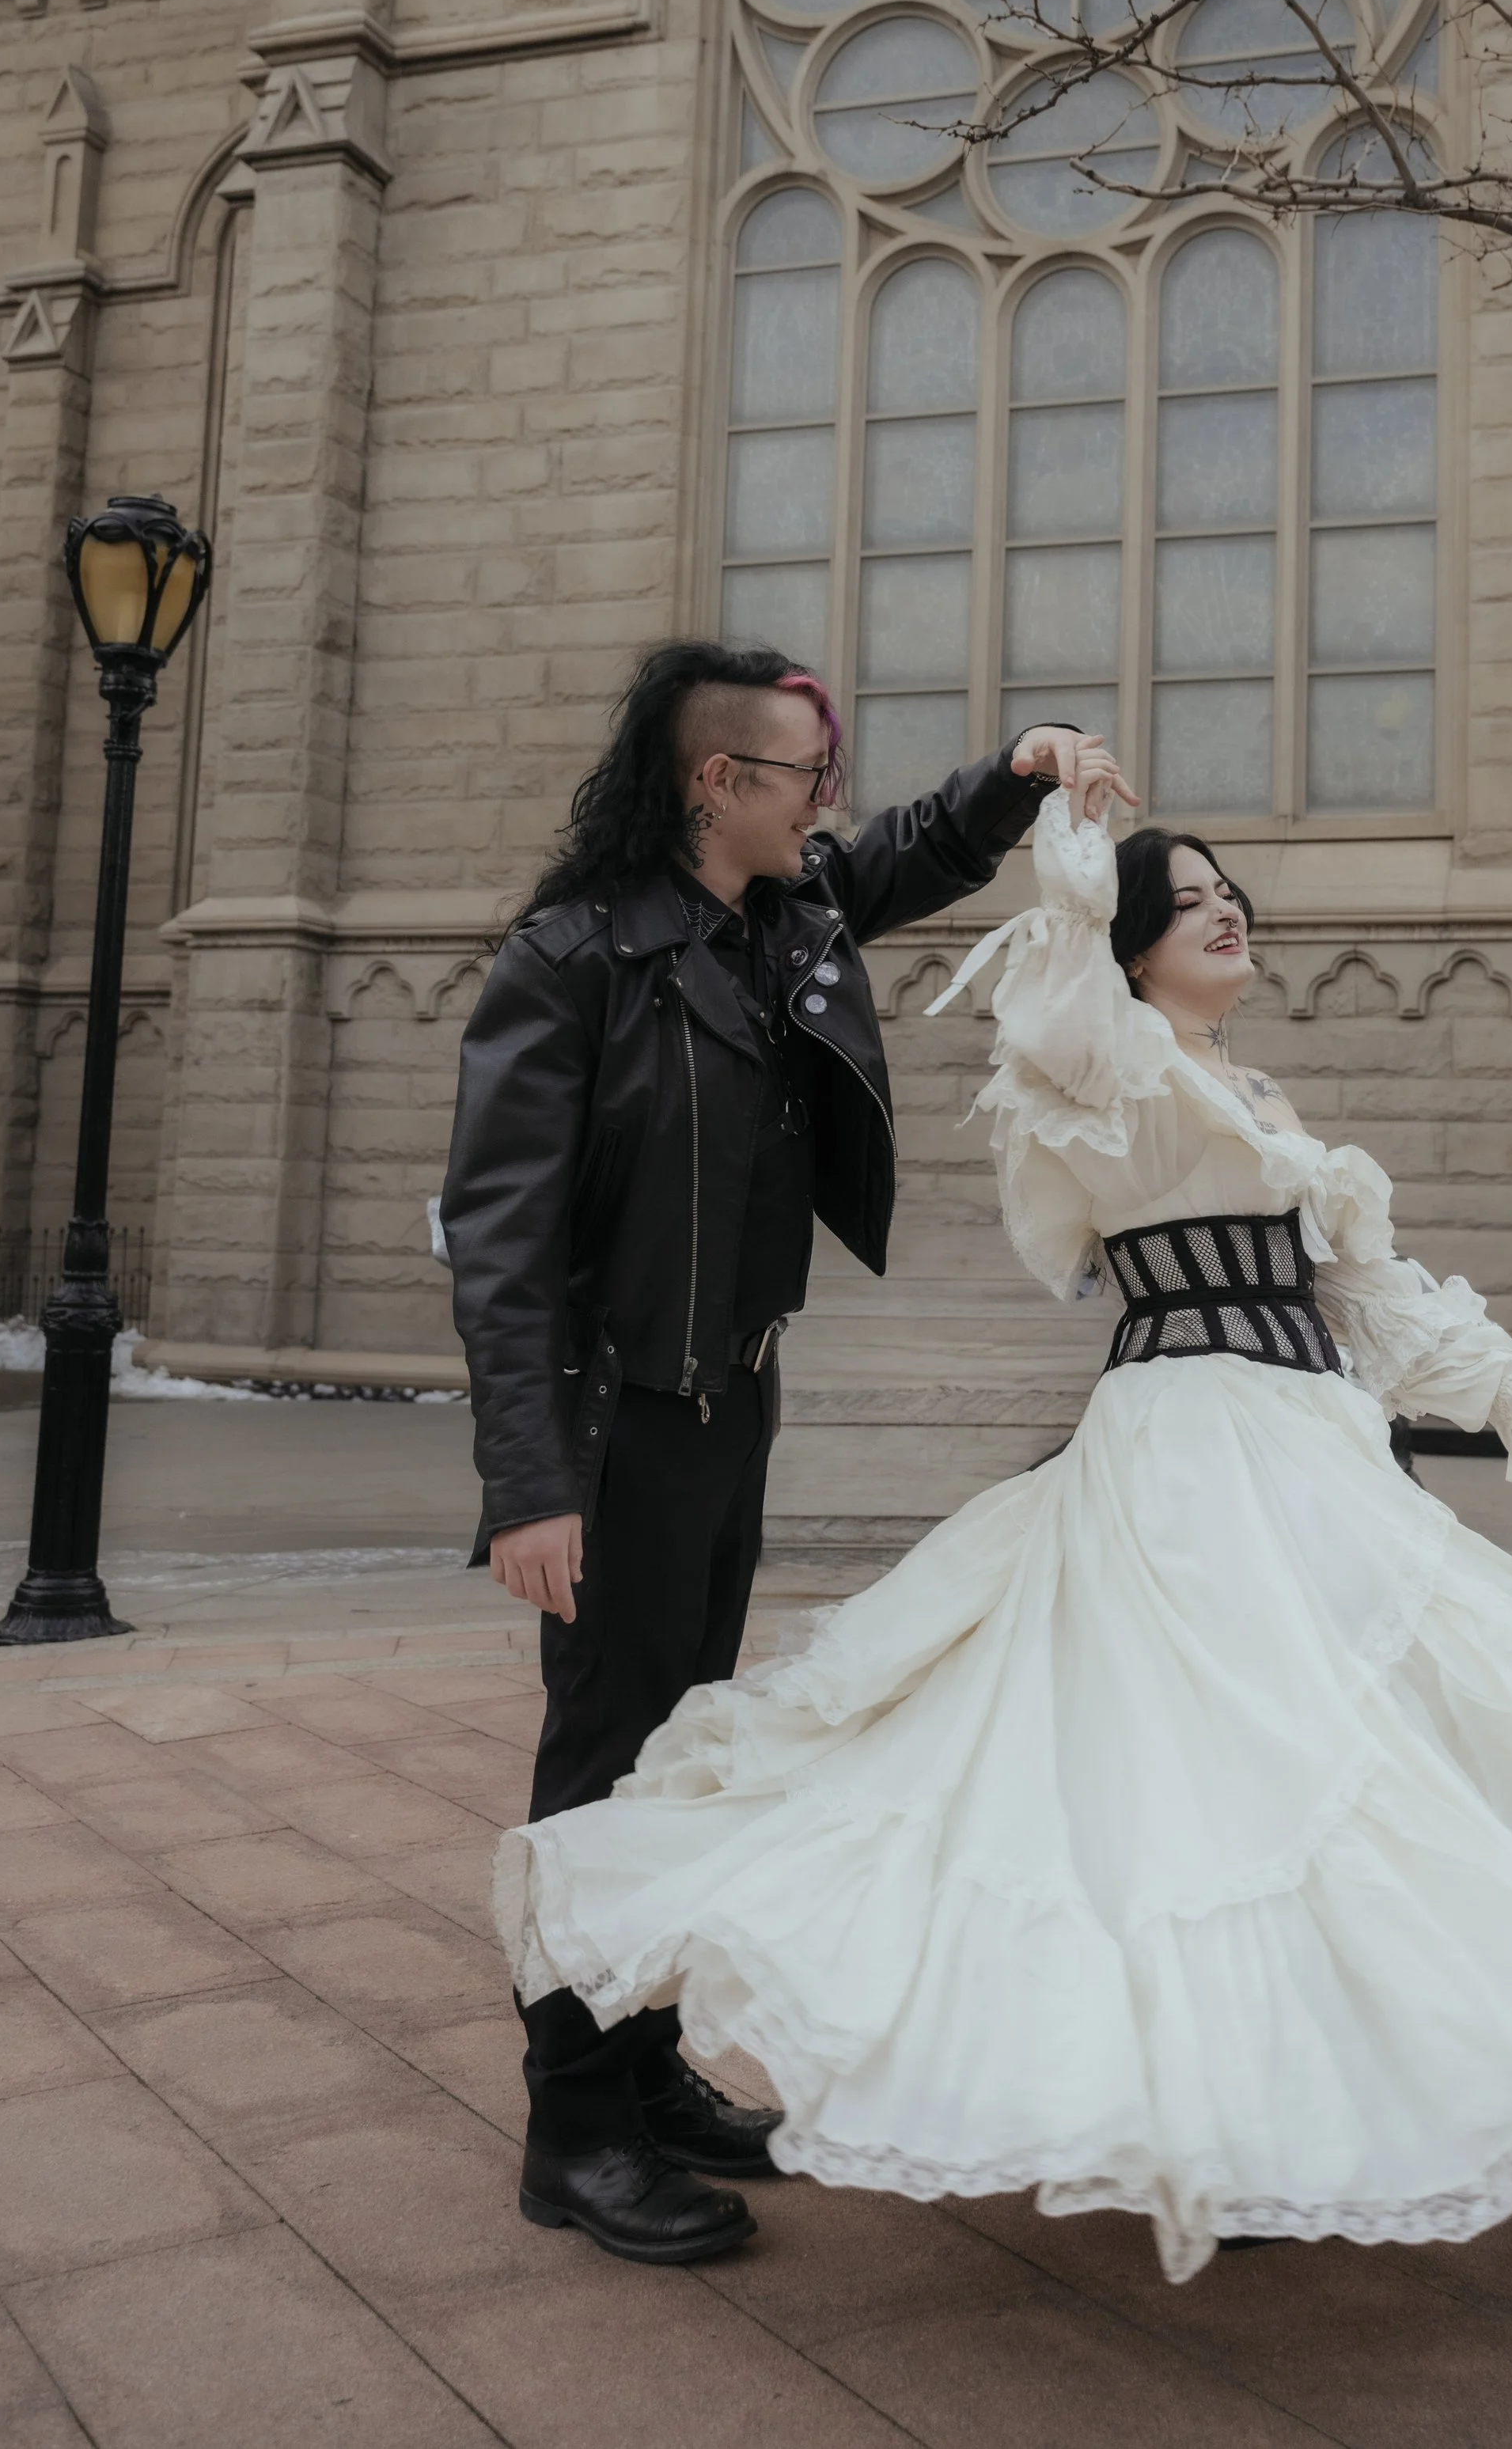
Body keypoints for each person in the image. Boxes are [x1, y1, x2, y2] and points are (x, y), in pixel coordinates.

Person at [494, 771, 1512, 2284]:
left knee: (1336, 1766)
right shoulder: (1107, 1066)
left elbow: (1367, 1298)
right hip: (1189, 1456)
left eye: (1233, 893)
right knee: (1214, 1775)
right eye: (1190, 898)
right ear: (1130, 945)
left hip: (1313, 1447)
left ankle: (1274, 2100)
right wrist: (1071, 852)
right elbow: (1057, 1010)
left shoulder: (1261, 1101)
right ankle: (616, 2087)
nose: (1227, 910)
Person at [439, 637, 1132, 2264]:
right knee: (601, 1769)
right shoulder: (575, 960)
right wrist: (528, 1482)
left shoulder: (783, 920)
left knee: (684, 1759)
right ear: (716, 784)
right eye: (803, 774)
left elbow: (897, 853)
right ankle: (574, 2133)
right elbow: (500, 1240)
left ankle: (648, 2067)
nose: (828, 801)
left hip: (728, 1401)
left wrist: (1015, 770)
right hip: (615, 1425)